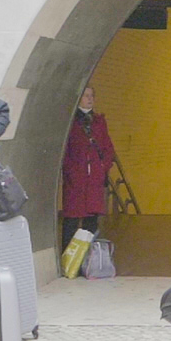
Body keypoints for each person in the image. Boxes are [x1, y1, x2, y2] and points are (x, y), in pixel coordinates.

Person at [60, 84, 116, 247]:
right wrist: (71, 170)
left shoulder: (99, 122)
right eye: (86, 96)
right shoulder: (70, 122)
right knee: (71, 219)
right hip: (76, 180)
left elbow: (108, 148)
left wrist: (102, 166)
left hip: (94, 181)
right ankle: (68, 258)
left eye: (92, 96)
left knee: (91, 221)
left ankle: (88, 258)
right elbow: (66, 150)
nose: (90, 99)